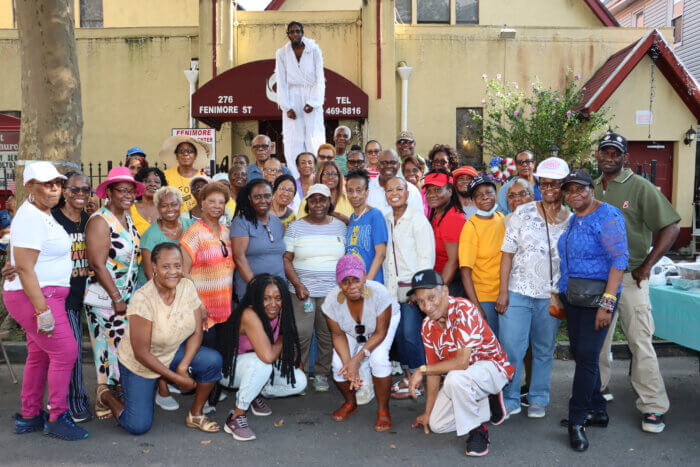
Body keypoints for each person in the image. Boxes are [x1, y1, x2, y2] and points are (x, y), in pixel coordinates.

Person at [594, 132, 679, 433]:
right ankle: (598, 390)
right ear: (597, 155)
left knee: (640, 342)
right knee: (598, 342)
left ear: (624, 157)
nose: (609, 157)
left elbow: (670, 226)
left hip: (631, 279)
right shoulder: (592, 188)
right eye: (604, 152)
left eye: (615, 153)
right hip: (600, 282)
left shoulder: (639, 187)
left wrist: (647, 265)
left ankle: (653, 406)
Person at [97, 243, 223, 435]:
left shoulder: (187, 286)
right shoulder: (143, 299)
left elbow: (197, 332)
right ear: (154, 267)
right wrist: (177, 378)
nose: (173, 272)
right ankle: (106, 395)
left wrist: (183, 367)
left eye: (177, 265)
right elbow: (141, 354)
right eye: (166, 266)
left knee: (212, 360)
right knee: (137, 426)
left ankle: (195, 415)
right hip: (140, 364)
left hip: (171, 352)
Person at [5, 161, 88, 440]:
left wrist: (11, 265)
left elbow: (17, 258)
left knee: (40, 355)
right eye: (46, 184)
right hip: (39, 297)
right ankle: (58, 416)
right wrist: (42, 311)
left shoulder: (40, 213)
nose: (54, 189)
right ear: (30, 186)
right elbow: (26, 267)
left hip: (41, 294)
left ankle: (30, 415)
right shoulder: (31, 216)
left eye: (57, 183)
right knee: (65, 352)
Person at [408, 270, 514, 457]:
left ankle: (477, 431)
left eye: (431, 297)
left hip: (492, 369)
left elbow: (462, 363)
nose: (427, 306)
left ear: (445, 292)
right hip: (466, 378)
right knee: (437, 424)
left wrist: (422, 370)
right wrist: (427, 412)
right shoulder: (427, 326)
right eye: (421, 301)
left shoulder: (464, 309)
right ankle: (487, 404)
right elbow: (433, 374)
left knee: (455, 379)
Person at [557, 169, 628, 452]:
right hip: (573, 297)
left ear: (592, 189)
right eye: (569, 190)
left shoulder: (608, 216)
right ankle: (598, 409)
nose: (574, 194)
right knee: (583, 354)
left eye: (580, 189)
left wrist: (607, 304)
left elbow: (619, 260)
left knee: (586, 357)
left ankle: (577, 419)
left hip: (598, 299)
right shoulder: (575, 218)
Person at [495, 157, 571, 420]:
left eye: (556, 184)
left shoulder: (570, 219)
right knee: (511, 348)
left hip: (550, 297)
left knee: (543, 348)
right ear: (539, 184)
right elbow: (506, 254)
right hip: (517, 291)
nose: (549, 189)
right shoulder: (523, 213)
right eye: (545, 183)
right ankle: (511, 397)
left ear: (564, 186)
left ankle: (538, 396)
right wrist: (503, 291)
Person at [217, 274, 306, 441]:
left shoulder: (281, 314)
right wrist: (281, 337)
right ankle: (236, 417)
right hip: (228, 372)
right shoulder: (250, 314)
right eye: (266, 298)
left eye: (278, 298)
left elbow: (290, 358)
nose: (273, 304)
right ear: (257, 298)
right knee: (263, 363)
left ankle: (254, 393)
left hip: (252, 368)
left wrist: (290, 352)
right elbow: (267, 356)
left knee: (300, 381)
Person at [85, 166, 142, 419]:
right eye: (122, 190)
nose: (128, 195)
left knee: (119, 346)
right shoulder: (100, 220)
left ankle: (111, 394)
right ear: (109, 192)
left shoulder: (127, 219)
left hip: (124, 295)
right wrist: (116, 298)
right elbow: (98, 263)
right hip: (106, 297)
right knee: (108, 345)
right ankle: (104, 395)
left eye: (131, 191)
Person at [322, 255, 400, 432]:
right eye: (345, 282)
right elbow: (338, 335)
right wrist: (349, 363)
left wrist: (357, 359)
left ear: (364, 276)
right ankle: (351, 402)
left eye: (356, 279)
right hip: (351, 328)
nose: (352, 286)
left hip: (382, 326)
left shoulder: (379, 293)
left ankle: (383, 410)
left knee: (378, 359)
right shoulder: (332, 301)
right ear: (339, 283)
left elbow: (380, 332)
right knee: (338, 364)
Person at [283, 184, 347, 392]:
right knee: (302, 333)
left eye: (323, 200)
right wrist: (297, 284)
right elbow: (286, 259)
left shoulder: (340, 226)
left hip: (332, 292)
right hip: (303, 293)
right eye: (313, 200)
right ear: (307, 203)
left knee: (328, 334)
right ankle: (298, 375)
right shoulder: (296, 227)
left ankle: (321, 373)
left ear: (329, 203)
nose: (318, 204)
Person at [382, 177, 435, 399]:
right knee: (398, 337)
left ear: (407, 192)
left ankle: (419, 379)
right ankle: (407, 377)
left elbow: (426, 257)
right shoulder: (384, 219)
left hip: (411, 289)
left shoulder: (418, 220)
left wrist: (418, 289)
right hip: (390, 288)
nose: (394, 193)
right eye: (389, 190)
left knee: (411, 335)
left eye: (399, 189)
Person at [180, 182, 234, 341]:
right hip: (203, 314)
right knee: (210, 361)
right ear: (202, 202)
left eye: (221, 202)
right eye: (211, 201)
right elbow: (183, 272)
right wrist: (198, 305)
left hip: (226, 312)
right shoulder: (193, 233)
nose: (217, 206)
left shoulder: (227, 232)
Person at [275, 21, 325, 180]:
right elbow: (281, 80)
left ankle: (317, 176)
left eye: (298, 31)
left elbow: (320, 78)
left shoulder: (314, 50)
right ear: (288, 34)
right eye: (292, 32)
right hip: (292, 94)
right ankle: (296, 179)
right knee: (293, 138)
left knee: (313, 136)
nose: (295, 34)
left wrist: (314, 102)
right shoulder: (282, 53)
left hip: (311, 93)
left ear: (302, 32)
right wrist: (286, 106)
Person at [458, 175, 504, 336]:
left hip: (506, 293)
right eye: (479, 195)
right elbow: (465, 270)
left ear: (495, 194)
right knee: (492, 345)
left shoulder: (502, 219)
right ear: (473, 200)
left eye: (489, 192)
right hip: (485, 296)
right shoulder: (471, 227)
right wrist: (477, 306)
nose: (485, 197)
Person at [231, 179, 287, 300]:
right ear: (250, 199)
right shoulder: (241, 222)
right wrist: (255, 286)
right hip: (252, 291)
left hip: (278, 290)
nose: (263, 201)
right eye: (257, 197)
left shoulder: (277, 222)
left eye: (267, 196)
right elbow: (239, 257)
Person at [139, 187, 195, 292]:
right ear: (158, 208)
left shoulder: (191, 226)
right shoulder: (150, 236)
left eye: (174, 204)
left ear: (180, 205)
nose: (170, 209)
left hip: (183, 285)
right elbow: (150, 274)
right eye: (164, 206)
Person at [424, 171, 466, 297]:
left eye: (437, 190)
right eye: (429, 191)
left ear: (450, 191)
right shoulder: (436, 213)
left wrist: (437, 293)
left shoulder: (453, 217)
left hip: (450, 284)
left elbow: (453, 262)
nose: (431, 195)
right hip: (436, 279)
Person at [345, 170, 388, 284]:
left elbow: (381, 254)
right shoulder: (352, 218)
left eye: (359, 190)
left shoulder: (375, 215)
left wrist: (367, 282)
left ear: (367, 193)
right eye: (350, 191)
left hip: (372, 284)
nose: (354, 195)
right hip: (354, 285)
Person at [160, 135, 211, 212]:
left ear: (195, 156)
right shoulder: (165, 175)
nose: (186, 154)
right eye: (182, 151)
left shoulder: (203, 178)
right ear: (176, 155)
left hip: (196, 220)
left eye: (190, 151)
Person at [368, 149, 423, 215]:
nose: (388, 166)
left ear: (399, 166)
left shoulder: (411, 190)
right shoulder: (367, 189)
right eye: (384, 163)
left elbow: (419, 220)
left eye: (393, 163)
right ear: (378, 165)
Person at [497, 150, 542, 214]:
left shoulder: (544, 186)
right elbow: (502, 215)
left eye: (528, 161)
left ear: (534, 164)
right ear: (516, 165)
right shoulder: (505, 189)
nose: (524, 165)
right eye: (520, 162)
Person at [131, 167, 167, 236]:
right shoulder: (129, 210)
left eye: (157, 182)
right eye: (147, 181)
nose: (152, 184)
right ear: (139, 185)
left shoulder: (167, 210)